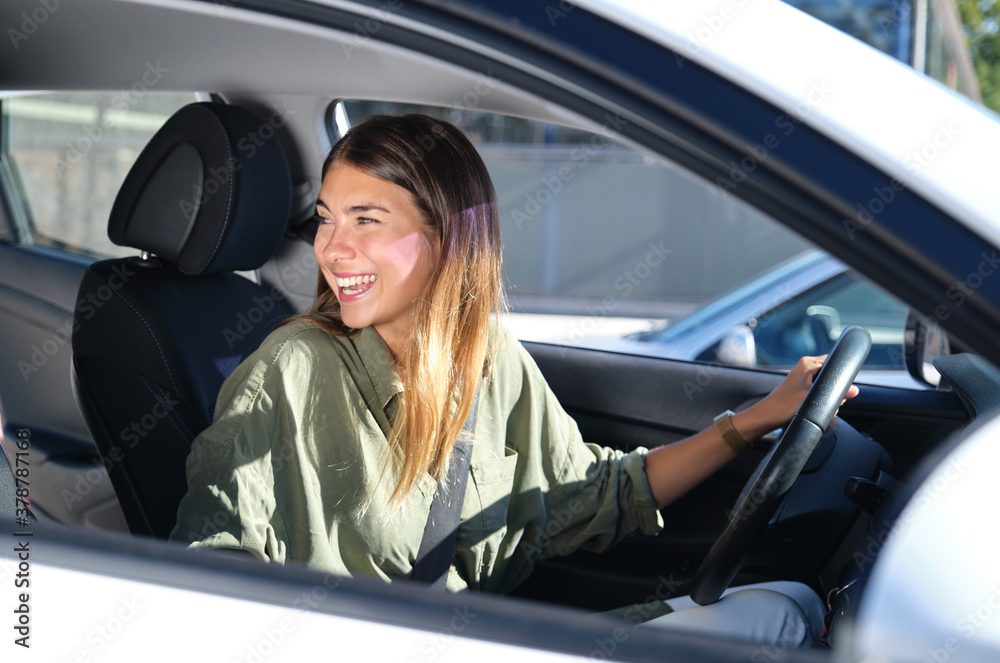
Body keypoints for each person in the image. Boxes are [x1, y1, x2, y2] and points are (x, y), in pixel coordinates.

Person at [169, 113, 857, 646]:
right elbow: (207, 580)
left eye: (365, 220)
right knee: (782, 625)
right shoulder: (291, 370)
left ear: (446, 237)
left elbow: (594, 493)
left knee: (786, 600)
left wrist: (754, 420)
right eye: (326, 221)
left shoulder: (488, 357)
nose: (332, 248)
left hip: (481, 638)